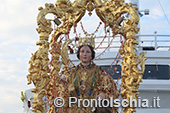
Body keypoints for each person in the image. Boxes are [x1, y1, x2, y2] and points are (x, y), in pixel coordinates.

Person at [67, 43, 118, 113]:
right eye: (82, 51)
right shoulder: (72, 72)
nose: (85, 54)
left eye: (87, 52)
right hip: (75, 107)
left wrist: (103, 94)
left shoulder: (98, 71)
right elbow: (65, 85)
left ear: (91, 55)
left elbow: (109, 85)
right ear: (79, 54)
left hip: (93, 107)